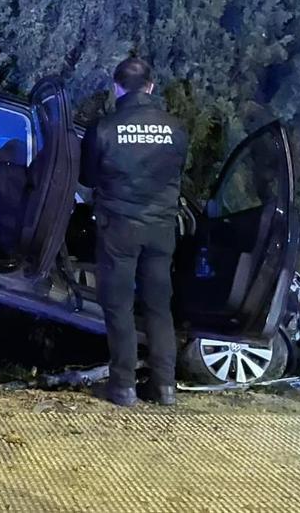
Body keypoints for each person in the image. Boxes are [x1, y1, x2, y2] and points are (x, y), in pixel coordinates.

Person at [80, 57, 188, 407]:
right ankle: (165, 388)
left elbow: (87, 178)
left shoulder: (104, 128)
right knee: (159, 307)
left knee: (119, 306)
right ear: (151, 87)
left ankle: (124, 387)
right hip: (161, 230)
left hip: (120, 230)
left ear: (116, 87)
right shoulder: (176, 128)